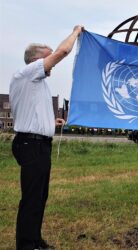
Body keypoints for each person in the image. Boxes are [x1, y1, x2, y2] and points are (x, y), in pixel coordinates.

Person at [10, 25, 83, 250]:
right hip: (30, 144)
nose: (51, 61)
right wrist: (76, 33)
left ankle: (35, 240)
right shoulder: (28, 73)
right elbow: (62, 52)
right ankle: (26, 245)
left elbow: (31, 113)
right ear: (35, 59)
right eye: (47, 56)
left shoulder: (37, 82)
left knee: (40, 197)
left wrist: (51, 123)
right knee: (32, 199)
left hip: (38, 144)